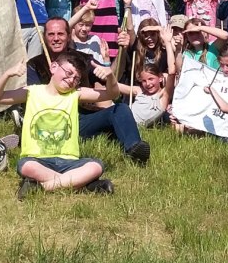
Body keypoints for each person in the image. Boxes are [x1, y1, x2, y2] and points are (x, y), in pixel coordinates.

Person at [0, 54, 119, 199]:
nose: (71, 80)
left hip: (69, 161)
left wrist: (110, 76)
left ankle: (42, 187)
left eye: (76, 79)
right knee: (26, 166)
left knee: (96, 166)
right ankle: (83, 185)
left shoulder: (75, 94)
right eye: (69, 73)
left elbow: (112, 93)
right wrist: (7, 74)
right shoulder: (32, 91)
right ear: (54, 67)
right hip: (37, 160)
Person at [27, 17, 151, 164]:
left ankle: (134, 149)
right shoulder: (34, 65)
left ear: (68, 36)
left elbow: (112, 75)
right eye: (51, 34)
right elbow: (33, 99)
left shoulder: (83, 59)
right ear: (44, 38)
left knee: (120, 109)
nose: (56, 39)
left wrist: (121, 52)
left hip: (82, 119)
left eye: (60, 34)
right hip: (54, 124)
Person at [118, 26, 176, 126]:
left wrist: (167, 42)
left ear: (160, 78)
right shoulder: (139, 91)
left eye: (151, 79)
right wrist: (106, 64)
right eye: (144, 81)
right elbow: (115, 86)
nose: (147, 84)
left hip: (130, 125)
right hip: (122, 118)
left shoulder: (163, 96)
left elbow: (172, 71)